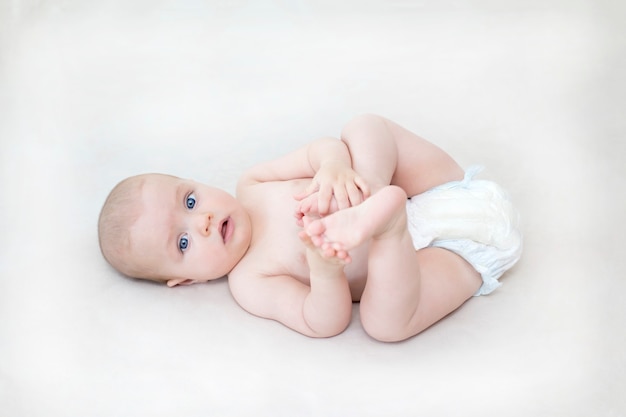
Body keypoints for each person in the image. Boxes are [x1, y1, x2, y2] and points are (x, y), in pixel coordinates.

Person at [98, 114, 522, 342]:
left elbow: (321, 150)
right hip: (446, 257)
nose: (203, 220)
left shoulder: (254, 183)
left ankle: (374, 192)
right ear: (185, 279)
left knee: (362, 128)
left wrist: (335, 167)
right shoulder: (250, 280)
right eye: (184, 241)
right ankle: (387, 226)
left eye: (190, 201)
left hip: (433, 187)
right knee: (384, 325)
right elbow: (322, 321)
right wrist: (324, 272)